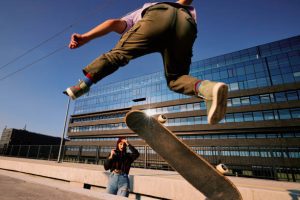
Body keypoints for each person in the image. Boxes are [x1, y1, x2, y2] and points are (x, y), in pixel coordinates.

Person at [64, 0, 228, 125]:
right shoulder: (176, 5)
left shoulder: (138, 13)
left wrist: (86, 37)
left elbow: (113, 23)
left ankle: (82, 86)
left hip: (156, 17)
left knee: (118, 55)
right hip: (186, 23)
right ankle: (208, 89)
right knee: (177, 78)